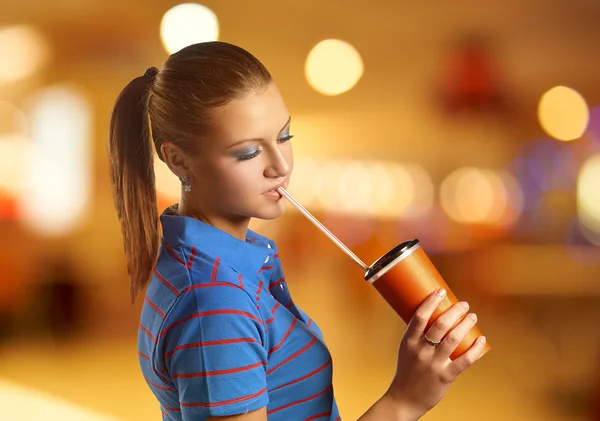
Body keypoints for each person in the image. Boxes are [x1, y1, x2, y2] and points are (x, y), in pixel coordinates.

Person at [108, 41, 487, 421]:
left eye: (284, 137)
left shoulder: (216, 266)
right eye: (247, 152)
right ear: (178, 159)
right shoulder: (214, 299)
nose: (280, 166)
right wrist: (404, 401)